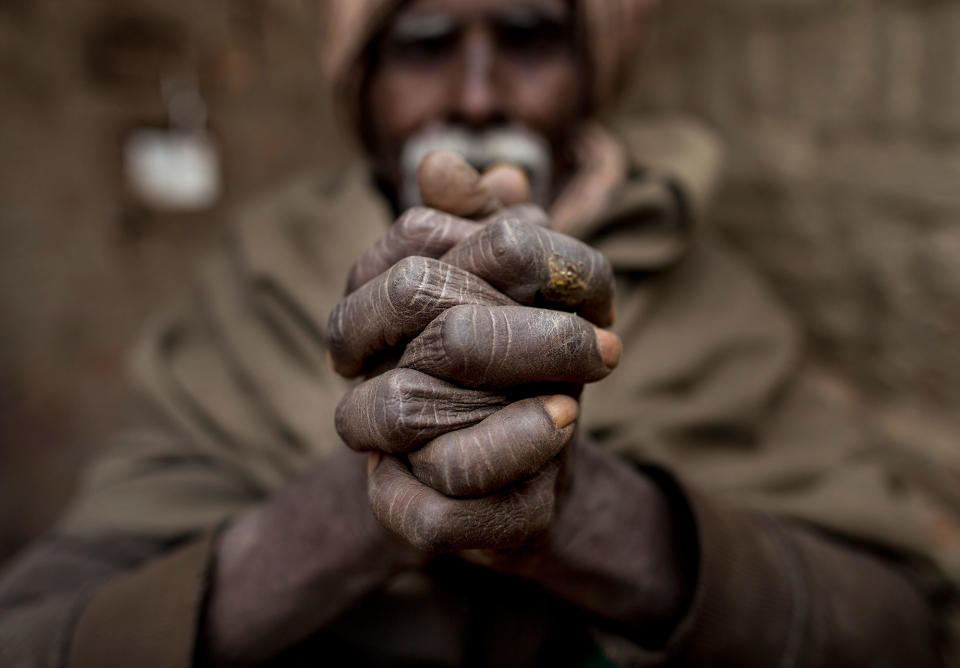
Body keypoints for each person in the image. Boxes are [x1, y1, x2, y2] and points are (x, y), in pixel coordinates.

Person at [1, 0, 958, 666]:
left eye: (529, 39)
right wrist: (378, 486)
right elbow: (41, 636)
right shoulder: (258, 276)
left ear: (594, 65)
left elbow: (900, 630)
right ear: (362, 78)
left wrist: (583, 507)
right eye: (423, 45)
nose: (477, 97)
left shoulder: (713, 293)